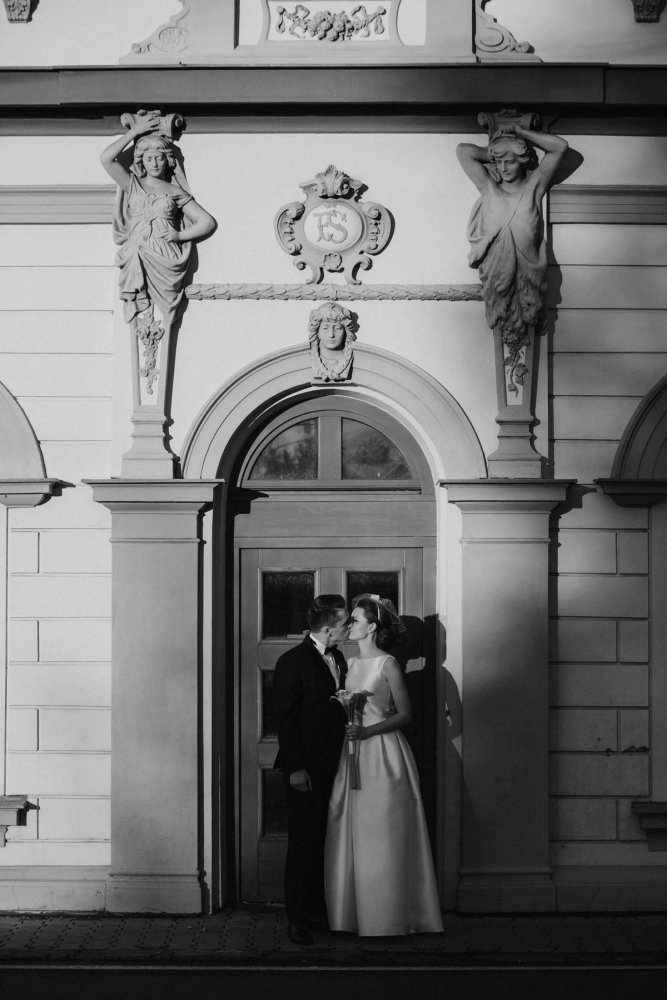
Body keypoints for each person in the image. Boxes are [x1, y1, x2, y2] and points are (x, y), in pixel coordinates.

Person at [324, 594, 443, 936]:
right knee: (352, 828)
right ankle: (353, 916)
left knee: (382, 831)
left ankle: (388, 918)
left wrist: (367, 731)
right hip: (352, 752)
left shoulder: (387, 664)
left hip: (382, 753)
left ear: (372, 627)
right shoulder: (348, 663)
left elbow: (405, 714)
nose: (349, 625)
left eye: (356, 620)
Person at [273, 594, 351, 945]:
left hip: (336, 764)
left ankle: (319, 911)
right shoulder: (292, 661)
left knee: (326, 839)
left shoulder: (339, 658)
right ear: (328, 628)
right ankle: (297, 919)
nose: (349, 627)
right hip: (305, 768)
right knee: (304, 842)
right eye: (345, 622)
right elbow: (285, 718)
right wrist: (296, 768)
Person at [456, 124, 568, 362]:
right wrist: (496, 150)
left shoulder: (533, 190)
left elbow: (559, 148)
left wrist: (520, 132)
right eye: (499, 162)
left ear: (522, 161)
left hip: (530, 280)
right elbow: (463, 151)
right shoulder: (489, 190)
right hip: (497, 283)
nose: (504, 168)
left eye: (510, 162)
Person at [100, 111, 216, 329]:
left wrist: (180, 235)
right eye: (149, 158)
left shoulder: (174, 191)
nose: (154, 163)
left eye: (159, 158)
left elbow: (206, 222)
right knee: (141, 320)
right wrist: (134, 132)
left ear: (167, 160)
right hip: (137, 252)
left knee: (165, 322)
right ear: (141, 161)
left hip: (165, 256)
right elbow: (106, 159)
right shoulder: (133, 185)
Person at [308, 302, 356, 382]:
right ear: (317, 332)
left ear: (345, 332)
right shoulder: (312, 357)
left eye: (337, 328)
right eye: (325, 328)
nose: (331, 334)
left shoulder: (349, 356)